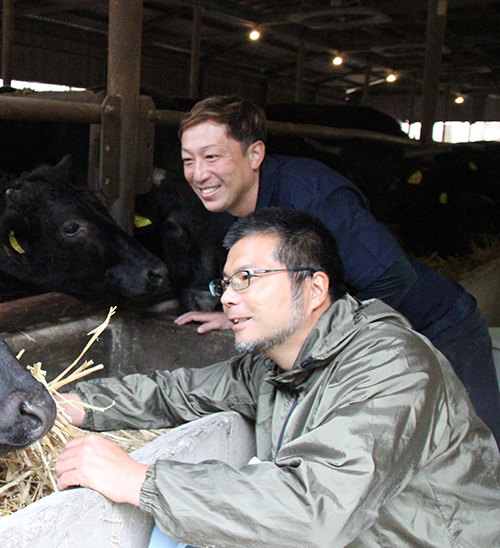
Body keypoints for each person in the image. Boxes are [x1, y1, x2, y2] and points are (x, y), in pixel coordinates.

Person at [55, 208, 500, 548]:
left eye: (247, 278)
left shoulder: (391, 367)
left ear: (314, 287)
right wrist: (74, 405)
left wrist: (142, 480)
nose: (227, 297)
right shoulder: (273, 365)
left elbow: (314, 508)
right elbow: (179, 391)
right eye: (225, 283)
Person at [172, 95, 500, 443]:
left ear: (254, 154)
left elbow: (391, 278)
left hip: (438, 330)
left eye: (211, 157)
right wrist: (242, 312)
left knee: (480, 450)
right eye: (188, 160)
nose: (198, 174)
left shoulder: (313, 195)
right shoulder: (232, 205)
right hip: (379, 345)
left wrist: (323, 347)